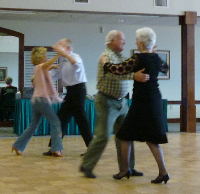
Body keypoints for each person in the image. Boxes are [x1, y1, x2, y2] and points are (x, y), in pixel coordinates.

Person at [80, 30, 149, 178]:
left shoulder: (120, 56)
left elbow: (127, 67)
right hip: (106, 101)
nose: (124, 42)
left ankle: (128, 168)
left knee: (126, 136)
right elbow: (114, 73)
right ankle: (86, 165)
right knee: (103, 136)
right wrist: (134, 76)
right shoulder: (105, 56)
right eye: (121, 40)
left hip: (122, 102)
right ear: (111, 41)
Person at [104, 27, 169, 184]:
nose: (135, 42)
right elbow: (165, 68)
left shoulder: (137, 58)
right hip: (154, 100)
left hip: (141, 102)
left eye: (136, 40)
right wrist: (153, 51)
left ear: (140, 42)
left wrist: (105, 64)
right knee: (152, 138)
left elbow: (118, 69)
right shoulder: (156, 58)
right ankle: (163, 172)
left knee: (123, 136)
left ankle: (124, 170)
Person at [43, 38, 92, 156]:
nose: (58, 47)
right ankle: (55, 148)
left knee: (81, 120)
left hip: (79, 91)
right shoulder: (63, 62)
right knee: (61, 119)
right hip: (70, 92)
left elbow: (76, 64)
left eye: (61, 45)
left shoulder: (76, 57)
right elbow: (52, 76)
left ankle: (92, 149)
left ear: (69, 48)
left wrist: (62, 53)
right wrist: (42, 71)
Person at [12, 47, 63, 156]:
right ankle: (56, 148)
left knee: (33, 126)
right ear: (41, 57)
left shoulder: (38, 69)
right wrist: (58, 55)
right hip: (42, 100)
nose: (46, 57)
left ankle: (17, 145)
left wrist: (52, 66)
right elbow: (45, 66)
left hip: (36, 101)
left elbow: (45, 68)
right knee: (55, 122)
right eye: (45, 55)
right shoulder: (40, 67)